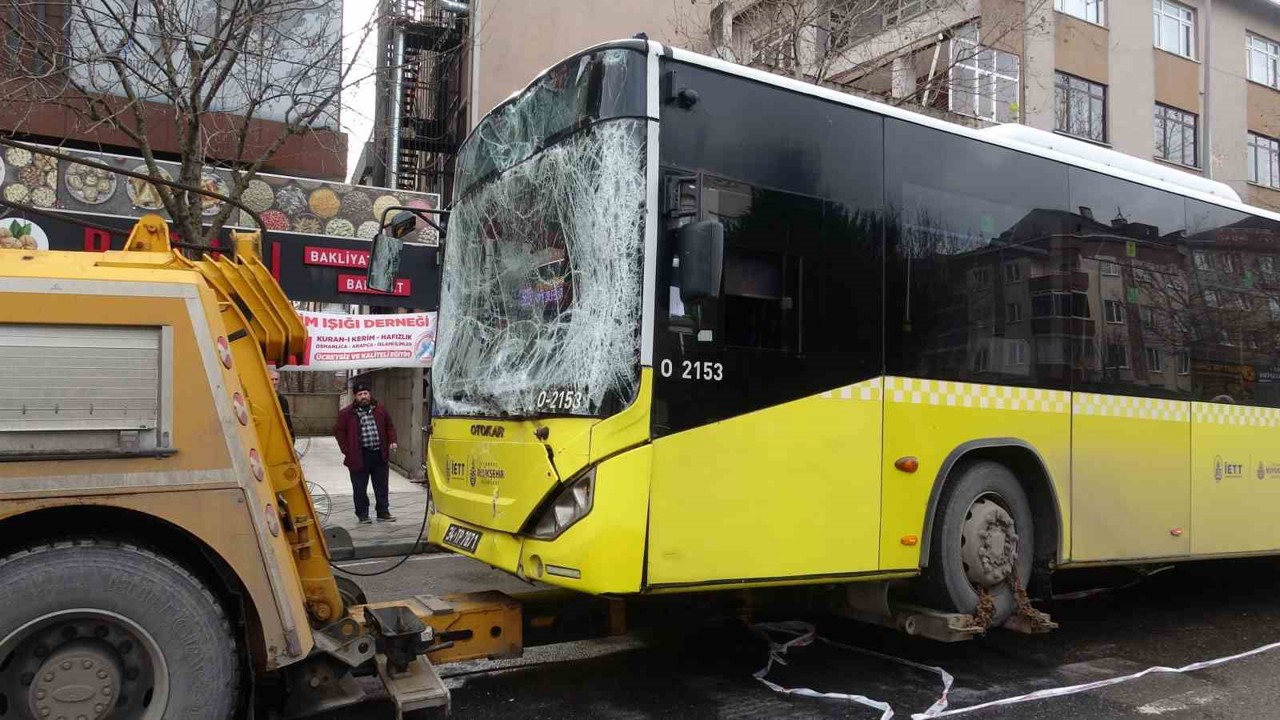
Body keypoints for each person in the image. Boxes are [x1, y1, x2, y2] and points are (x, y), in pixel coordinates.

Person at [333, 380, 398, 524]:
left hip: (378, 455)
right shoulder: (346, 413)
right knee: (360, 488)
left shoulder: (380, 409)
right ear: (355, 396)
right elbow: (339, 432)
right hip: (359, 456)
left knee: (381, 486)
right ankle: (363, 515)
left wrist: (392, 440)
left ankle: (383, 512)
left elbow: (389, 426)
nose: (363, 396)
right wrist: (347, 450)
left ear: (370, 394)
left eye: (365, 393)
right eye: (360, 394)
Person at [269, 367, 293, 440]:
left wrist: (292, 436)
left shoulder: (282, 400)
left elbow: (287, 419)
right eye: (272, 379)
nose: (274, 382)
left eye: (276, 379)